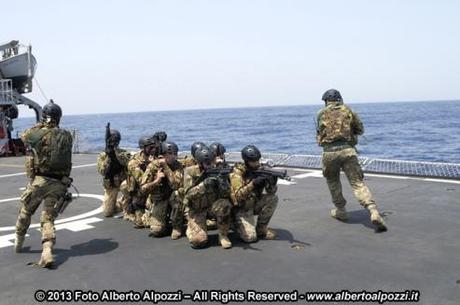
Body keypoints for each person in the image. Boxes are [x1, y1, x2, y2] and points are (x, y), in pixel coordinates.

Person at [316, 89, 387, 231]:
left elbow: (320, 132)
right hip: (348, 151)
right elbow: (360, 129)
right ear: (340, 99)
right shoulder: (349, 111)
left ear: (326, 101)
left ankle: (340, 211)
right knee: (357, 182)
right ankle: (373, 211)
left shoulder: (321, 113)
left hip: (329, 153)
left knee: (333, 181)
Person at [14, 100, 73, 268]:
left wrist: (41, 124)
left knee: (26, 211)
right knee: (48, 218)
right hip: (60, 184)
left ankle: (18, 242)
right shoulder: (67, 135)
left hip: (40, 181)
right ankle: (47, 250)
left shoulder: (39, 133)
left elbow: (24, 137)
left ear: (45, 117)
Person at [184, 147, 232, 249]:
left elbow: (227, 193)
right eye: (206, 163)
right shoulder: (190, 171)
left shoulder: (218, 170)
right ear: (200, 163)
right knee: (198, 242)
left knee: (224, 204)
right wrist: (203, 185)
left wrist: (223, 181)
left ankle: (223, 235)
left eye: (210, 162)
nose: (209, 165)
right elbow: (188, 194)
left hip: (213, 207)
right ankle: (191, 227)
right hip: (197, 209)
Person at [230, 145, 278, 243]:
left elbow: (271, 192)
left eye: (257, 160)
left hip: (254, 202)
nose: (257, 163)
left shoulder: (260, 170)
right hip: (241, 209)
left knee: (273, 198)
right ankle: (233, 223)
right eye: (253, 161)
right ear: (246, 162)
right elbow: (238, 196)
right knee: (251, 238)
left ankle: (261, 228)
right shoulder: (237, 173)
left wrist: (272, 182)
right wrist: (253, 184)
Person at [141, 141, 184, 239]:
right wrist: (156, 181)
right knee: (156, 231)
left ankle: (177, 226)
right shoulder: (153, 166)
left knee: (178, 193)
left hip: (173, 198)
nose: (173, 156)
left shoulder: (178, 166)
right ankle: (151, 217)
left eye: (175, 154)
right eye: (170, 154)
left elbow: (176, 185)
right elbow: (143, 189)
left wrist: (166, 167)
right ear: (163, 155)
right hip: (159, 199)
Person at [121, 135, 156, 227]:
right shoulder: (134, 163)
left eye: (154, 146)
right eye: (150, 147)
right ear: (142, 148)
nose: (153, 149)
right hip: (139, 190)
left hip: (151, 187)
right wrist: (151, 165)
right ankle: (127, 207)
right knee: (140, 223)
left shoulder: (154, 157)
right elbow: (142, 181)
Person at [96, 126, 131, 217]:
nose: (114, 143)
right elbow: (102, 171)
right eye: (112, 141)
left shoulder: (124, 153)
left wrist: (115, 154)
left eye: (116, 141)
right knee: (107, 213)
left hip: (124, 182)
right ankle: (119, 203)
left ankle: (127, 201)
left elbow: (128, 162)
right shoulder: (103, 155)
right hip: (111, 184)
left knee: (125, 186)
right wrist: (109, 157)